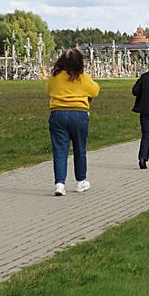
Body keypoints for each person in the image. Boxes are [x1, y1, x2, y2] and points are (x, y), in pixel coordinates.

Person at [46, 48, 100, 196]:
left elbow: (49, 90)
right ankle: (81, 181)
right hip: (78, 114)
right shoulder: (82, 76)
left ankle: (59, 184)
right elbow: (95, 91)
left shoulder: (55, 76)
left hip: (58, 114)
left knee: (60, 150)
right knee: (79, 148)